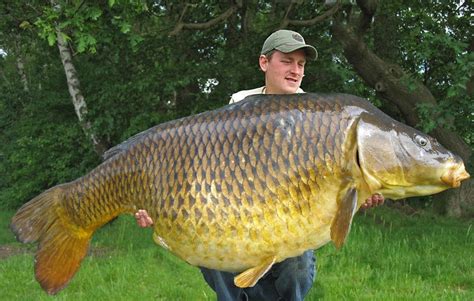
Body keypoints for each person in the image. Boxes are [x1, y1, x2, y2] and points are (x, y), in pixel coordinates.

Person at [135, 29, 384, 300]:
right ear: (264, 63)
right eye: (287, 61)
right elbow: (205, 168)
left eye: (301, 64)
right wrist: (154, 204)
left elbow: (337, 179)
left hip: (292, 219)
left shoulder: (318, 116)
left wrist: (361, 192)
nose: (295, 71)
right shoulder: (239, 105)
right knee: (214, 258)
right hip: (239, 213)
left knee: (298, 267)